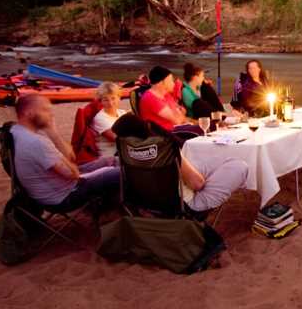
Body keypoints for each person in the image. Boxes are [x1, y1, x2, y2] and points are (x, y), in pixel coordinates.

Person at [112, 114, 249, 213]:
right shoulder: (164, 147)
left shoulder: (128, 152)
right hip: (185, 204)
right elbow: (198, 184)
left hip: (148, 201)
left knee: (210, 162)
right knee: (239, 165)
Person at [10, 94, 120, 210]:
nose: (51, 114)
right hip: (65, 196)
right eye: (45, 110)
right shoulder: (35, 142)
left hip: (56, 185)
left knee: (110, 160)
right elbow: (74, 174)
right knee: (123, 172)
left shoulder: (17, 131)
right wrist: (64, 159)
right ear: (29, 113)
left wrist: (52, 132)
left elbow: (71, 157)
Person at [138, 65, 199, 135]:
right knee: (203, 131)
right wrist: (179, 114)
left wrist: (197, 122)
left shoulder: (166, 95)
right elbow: (177, 120)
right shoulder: (151, 98)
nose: (173, 83)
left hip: (178, 129)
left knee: (208, 126)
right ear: (162, 82)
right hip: (167, 135)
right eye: (171, 81)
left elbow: (182, 114)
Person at [90, 82, 127, 157]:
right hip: (110, 156)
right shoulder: (100, 118)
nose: (110, 103)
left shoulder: (122, 113)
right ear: (100, 101)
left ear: (119, 98)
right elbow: (116, 139)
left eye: (113, 98)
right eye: (106, 100)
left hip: (124, 152)